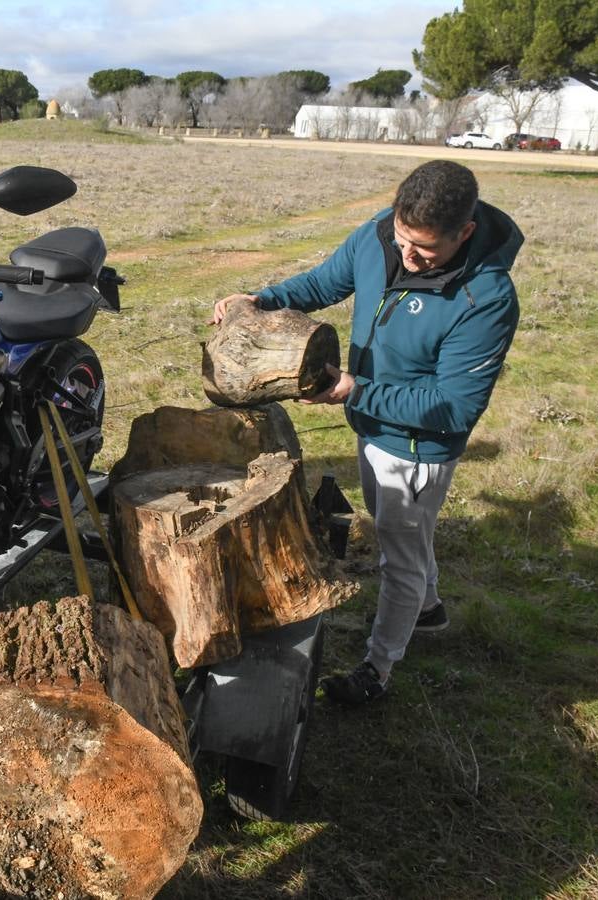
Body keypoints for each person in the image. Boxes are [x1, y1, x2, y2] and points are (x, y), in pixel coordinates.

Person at [210, 160, 522, 705]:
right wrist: (261, 300)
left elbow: (455, 406)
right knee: (402, 529)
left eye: (424, 250)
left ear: (464, 233)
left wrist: (356, 391)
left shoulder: (486, 299)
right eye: (403, 239)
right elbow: (323, 283)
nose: (407, 256)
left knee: (397, 553)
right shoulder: (382, 233)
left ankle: (377, 671)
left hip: (417, 448)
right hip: (369, 421)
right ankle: (427, 608)